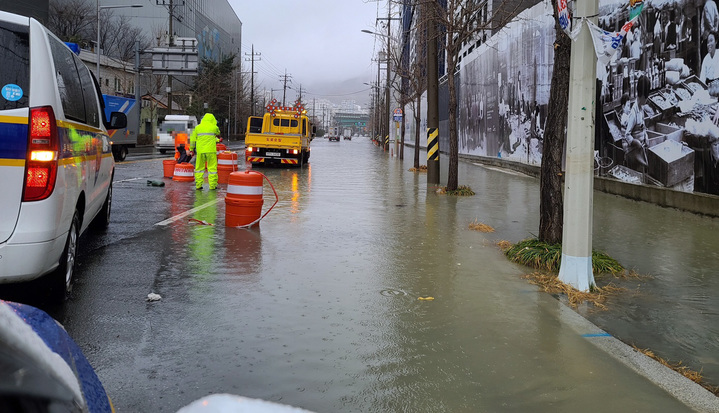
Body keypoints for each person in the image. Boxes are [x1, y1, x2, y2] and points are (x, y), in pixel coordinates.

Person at [623, 75, 650, 173]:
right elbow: (627, 135)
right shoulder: (633, 113)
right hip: (633, 153)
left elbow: (643, 127)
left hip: (640, 151)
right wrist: (635, 142)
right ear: (643, 96)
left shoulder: (641, 108)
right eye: (646, 98)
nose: (647, 100)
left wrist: (646, 137)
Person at [189, 113, 221, 190]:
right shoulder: (214, 127)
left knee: (199, 168)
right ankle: (213, 186)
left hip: (200, 151)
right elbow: (216, 135)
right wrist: (218, 139)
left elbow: (193, 140)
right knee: (212, 169)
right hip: (211, 150)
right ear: (212, 120)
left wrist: (191, 149)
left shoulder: (197, 128)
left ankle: (198, 185)